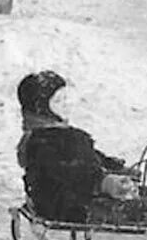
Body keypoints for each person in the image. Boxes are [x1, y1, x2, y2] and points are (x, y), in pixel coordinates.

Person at [15, 71, 133, 221]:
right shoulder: (45, 142)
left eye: (65, 98)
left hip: (76, 200)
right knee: (145, 209)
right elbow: (69, 171)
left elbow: (86, 159)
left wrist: (112, 166)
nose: (65, 104)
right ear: (42, 108)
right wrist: (102, 182)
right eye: (57, 101)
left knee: (143, 196)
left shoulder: (58, 135)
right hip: (68, 207)